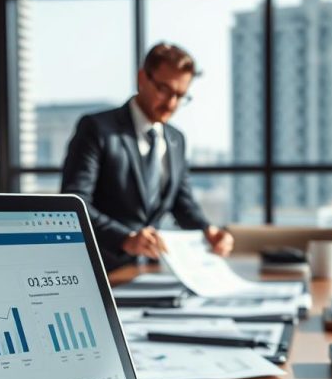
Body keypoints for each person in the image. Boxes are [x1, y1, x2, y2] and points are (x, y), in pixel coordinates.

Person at [60, 42, 234, 270]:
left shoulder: (176, 139)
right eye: (164, 90)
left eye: (180, 95)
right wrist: (126, 238)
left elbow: (182, 203)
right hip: (100, 268)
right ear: (142, 78)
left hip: (151, 268)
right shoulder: (97, 129)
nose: (171, 103)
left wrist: (207, 230)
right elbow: (74, 202)